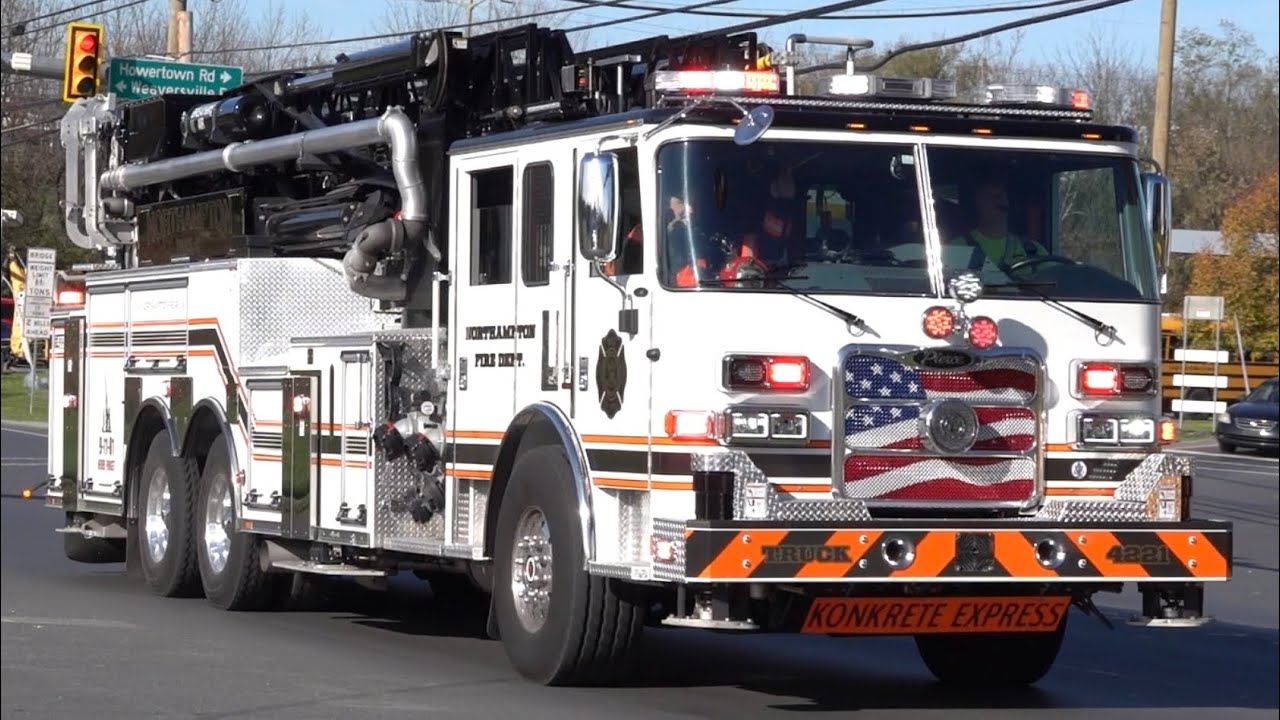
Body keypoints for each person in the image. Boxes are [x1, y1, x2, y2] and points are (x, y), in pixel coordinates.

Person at [952, 177, 1048, 271]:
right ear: (975, 204)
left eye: (1000, 195)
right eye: (990, 197)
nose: (998, 201)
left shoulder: (1033, 249)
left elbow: (1057, 279)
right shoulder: (956, 249)